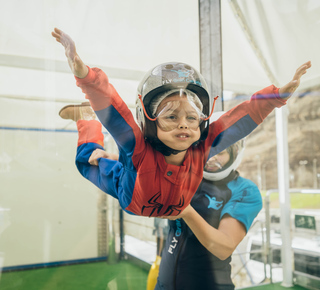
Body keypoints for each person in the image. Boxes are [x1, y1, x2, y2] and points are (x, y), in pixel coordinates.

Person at [52, 27, 311, 217]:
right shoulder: (137, 146)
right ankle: (87, 119)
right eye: (171, 117)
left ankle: (105, 144)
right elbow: (114, 109)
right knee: (85, 161)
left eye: (192, 118)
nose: (184, 125)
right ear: (150, 122)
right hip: (125, 188)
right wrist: (85, 76)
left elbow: (239, 120)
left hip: (150, 195)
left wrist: (276, 97)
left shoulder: (203, 147)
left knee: (108, 158)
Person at [155, 132, 260, 290]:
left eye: (220, 152)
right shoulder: (186, 176)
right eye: (207, 151)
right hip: (164, 283)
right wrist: (109, 157)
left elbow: (224, 247)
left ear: (234, 154)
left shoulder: (244, 189)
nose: (211, 158)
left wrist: (186, 212)